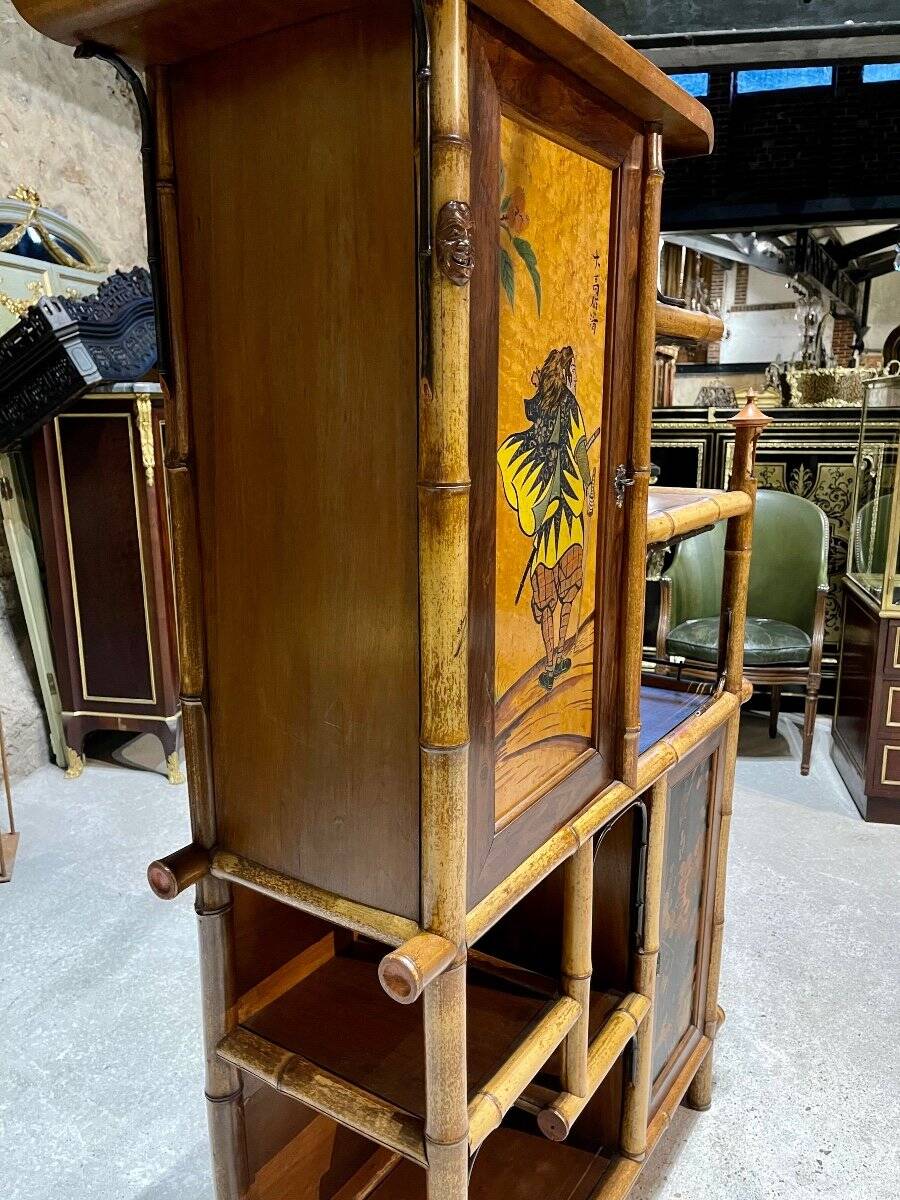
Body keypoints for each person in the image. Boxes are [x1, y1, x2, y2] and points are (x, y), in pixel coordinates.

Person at [498, 345, 595, 690]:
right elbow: (580, 449)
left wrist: (540, 382)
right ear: (568, 373)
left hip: (543, 496)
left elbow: (537, 417)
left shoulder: (546, 401)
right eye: (574, 371)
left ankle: (550, 659)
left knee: (546, 580)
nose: (577, 377)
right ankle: (559, 654)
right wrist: (590, 486)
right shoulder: (569, 404)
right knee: (567, 581)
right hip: (566, 503)